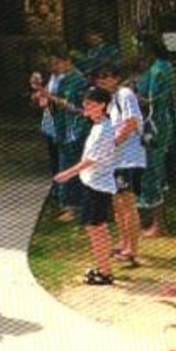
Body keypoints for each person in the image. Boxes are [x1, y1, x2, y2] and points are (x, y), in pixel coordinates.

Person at [52, 87, 118, 286]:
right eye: (85, 103)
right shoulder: (98, 126)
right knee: (96, 228)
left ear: (102, 106)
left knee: (96, 228)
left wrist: (67, 174)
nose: (86, 107)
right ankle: (102, 267)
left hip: (98, 186)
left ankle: (105, 273)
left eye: (91, 104)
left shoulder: (103, 130)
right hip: (93, 183)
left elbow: (90, 160)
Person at [93, 63, 145, 266]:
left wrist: (112, 144)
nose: (102, 81)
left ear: (116, 77)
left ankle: (132, 249)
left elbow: (131, 123)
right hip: (116, 160)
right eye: (99, 78)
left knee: (128, 203)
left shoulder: (125, 94)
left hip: (129, 159)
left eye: (106, 76)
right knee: (117, 203)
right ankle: (123, 243)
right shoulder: (112, 100)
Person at [40, 46, 89, 222]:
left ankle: (74, 206)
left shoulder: (77, 80)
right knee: (64, 165)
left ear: (67, 61)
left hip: (75, 129)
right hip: (62, 128)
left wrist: (51, 98)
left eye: (57, 63)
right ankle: (66, 204)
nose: (54, 67)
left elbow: (74, 106)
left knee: (72, 166)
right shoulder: (62, 79)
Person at [133, 34, 175, 237]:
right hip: (161, 123)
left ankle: (159, 226)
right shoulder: (164, 66)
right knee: (157, 170)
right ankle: (154, 221)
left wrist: (127, 95)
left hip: (154, 126)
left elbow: (151, 102)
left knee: (152, 172)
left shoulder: (158, 71)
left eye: (140, 48)